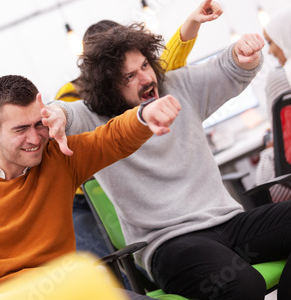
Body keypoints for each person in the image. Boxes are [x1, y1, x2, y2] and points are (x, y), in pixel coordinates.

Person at [48, 23, 291, 299]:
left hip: (229, 222)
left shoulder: (177, 86)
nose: (145, 78)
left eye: (144, 66)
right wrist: (55, 114)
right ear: (109, 87)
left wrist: (242, 55)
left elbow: (227, 69)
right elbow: (67, 113)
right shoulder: (93, 118)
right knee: (245, 285)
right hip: (170, 244)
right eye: (129, 77)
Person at [0, 75, 181, 300]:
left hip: (70, 291)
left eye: (38, 124)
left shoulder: (59, 157)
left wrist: (143, 116)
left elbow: (111, 138)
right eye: (20, 129)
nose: (36, 138)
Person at [56, 0, 223, 260]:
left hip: (131, 177)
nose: (131, 68)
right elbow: (66, 117)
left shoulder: (141, 78)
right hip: (85, 191)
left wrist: (192, 23)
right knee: (104, 259)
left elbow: (168, 64)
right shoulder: (74, 95)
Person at [254, 6, 291, 202]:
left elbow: (279, 134)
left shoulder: (278, 78)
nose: (269, 51)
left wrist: (270, 144)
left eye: (270, 42)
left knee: (263, 176)